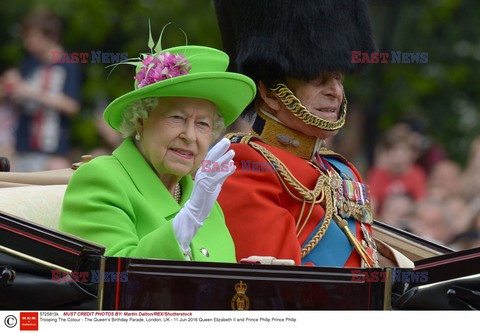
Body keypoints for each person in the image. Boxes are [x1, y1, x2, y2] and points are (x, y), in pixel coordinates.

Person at [214, 0, 407, 268]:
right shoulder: (244, 165)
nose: (335, 92)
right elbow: (280, 286)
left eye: (338, 78)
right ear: (270, 93)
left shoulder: (341, 170)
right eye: (318, 80)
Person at [59, 43, 256, 262]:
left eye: (202, 124)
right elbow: (115, 275)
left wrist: (254, 275)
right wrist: (189, 219)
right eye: (177, 118)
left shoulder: (201, 197)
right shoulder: (100, 179)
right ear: (141, 121)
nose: (190, 136)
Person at [7, 9, 82, 172]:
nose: (27, 42)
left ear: (51, 36)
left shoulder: (67, 65)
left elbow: (72, 106)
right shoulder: (29, 63)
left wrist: (34, 93)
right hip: (22, 149)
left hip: (52, 153)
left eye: (32, 37)